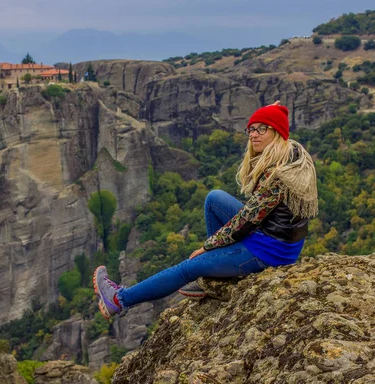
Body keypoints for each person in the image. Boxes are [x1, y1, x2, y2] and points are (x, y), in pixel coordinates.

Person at [93, 102, 319, 319]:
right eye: (251, 129)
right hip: (273, 237)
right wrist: (273, 112)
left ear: (277, 133)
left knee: (188, 268)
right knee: (214, 199)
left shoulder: (277, 175)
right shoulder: (292, 153)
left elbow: (245, 221)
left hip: (269, 252)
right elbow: (251, 218)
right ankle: (218, 273)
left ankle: (118, 299)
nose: (253, 134)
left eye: (262, 129)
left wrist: (208, 247)